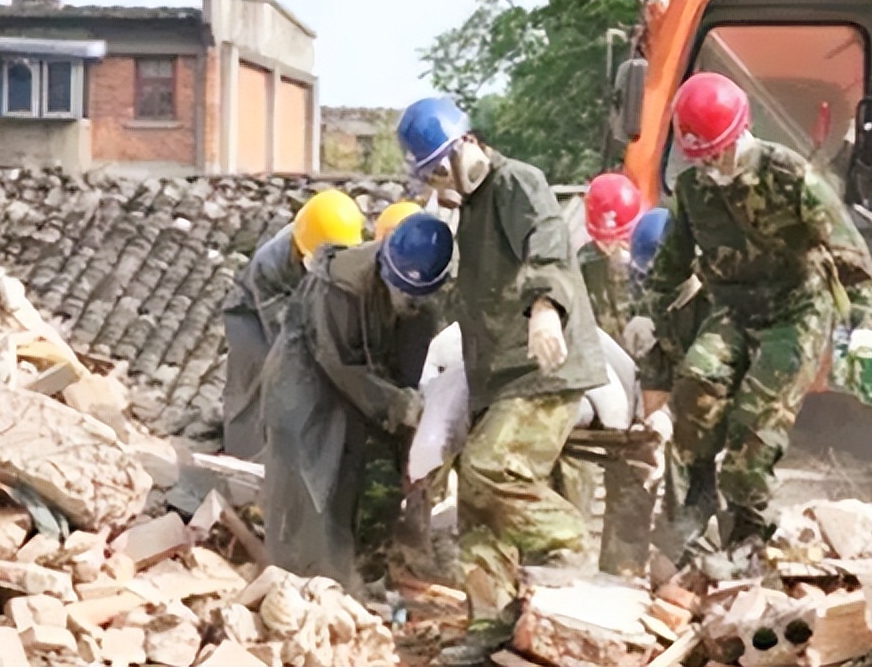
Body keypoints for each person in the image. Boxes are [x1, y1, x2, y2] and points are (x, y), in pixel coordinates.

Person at [638, 72, 872, 571]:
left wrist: (862, 326)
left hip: (797, 308)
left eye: (717, 152)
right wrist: (655, 328)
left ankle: (748, 532)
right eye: (700, 155)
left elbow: (848, 253)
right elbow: (669, 270)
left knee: (755, 421)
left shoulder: (789, 175)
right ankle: (692, 511)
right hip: (732, 306)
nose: (710, 163)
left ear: (739, 135)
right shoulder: (692, 189)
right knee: (697, 388)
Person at [397, 96, 608, 658]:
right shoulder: (469, 212)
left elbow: (548, 243)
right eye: (430, 173)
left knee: (490, 468)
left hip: (545, 372)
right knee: (478, 509)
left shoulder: (518, 182)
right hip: (501, 378)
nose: (441, 179)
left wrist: (545, 307)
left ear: (467, 144)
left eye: (442, 165)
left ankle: (570, 542)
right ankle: (490, 624)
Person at [257, 212, 454, 592]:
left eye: (416, 295)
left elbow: (410, 368)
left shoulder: (427, 302)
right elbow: (339, 362)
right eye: (401, 290)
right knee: (311, 482)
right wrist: (398, 404)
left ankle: (364, 576)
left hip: (373, 394)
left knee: (380, 480)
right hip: (310, 383)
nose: (407, 301)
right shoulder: (338, 286)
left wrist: (413, 425)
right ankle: (301, 584)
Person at [221, 189, 365, 459]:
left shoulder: (344, 238)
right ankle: (246, 460)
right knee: (256, 379)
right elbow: (283, 335)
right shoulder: (270, 264)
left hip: (309, 306)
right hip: (252, 313)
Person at [578, 172, 645, 345]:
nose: (609, 246)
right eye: (603, 239)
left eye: (618, 239)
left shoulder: (650, 254)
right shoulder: (583, 262)